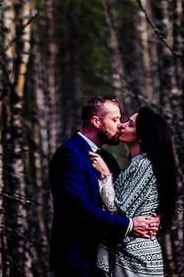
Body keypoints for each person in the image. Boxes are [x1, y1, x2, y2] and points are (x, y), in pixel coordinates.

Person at [49, 96, 161, 275]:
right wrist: (130, 225)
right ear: (96, 122)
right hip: (78, 261)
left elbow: (118, 202)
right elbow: (78, 209)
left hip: (107, 259)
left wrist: (152, 220)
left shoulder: (107, 158)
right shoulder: (69, 155)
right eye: (115, 119)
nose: (120, 125)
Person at [91, 107, 178, 276]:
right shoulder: (140, 164)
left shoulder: (143, 166)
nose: (122, 126)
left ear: (142, 136)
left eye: (130, 124)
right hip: (136, 255)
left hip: (135, 259)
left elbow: (117, 211)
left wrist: (105, 176)